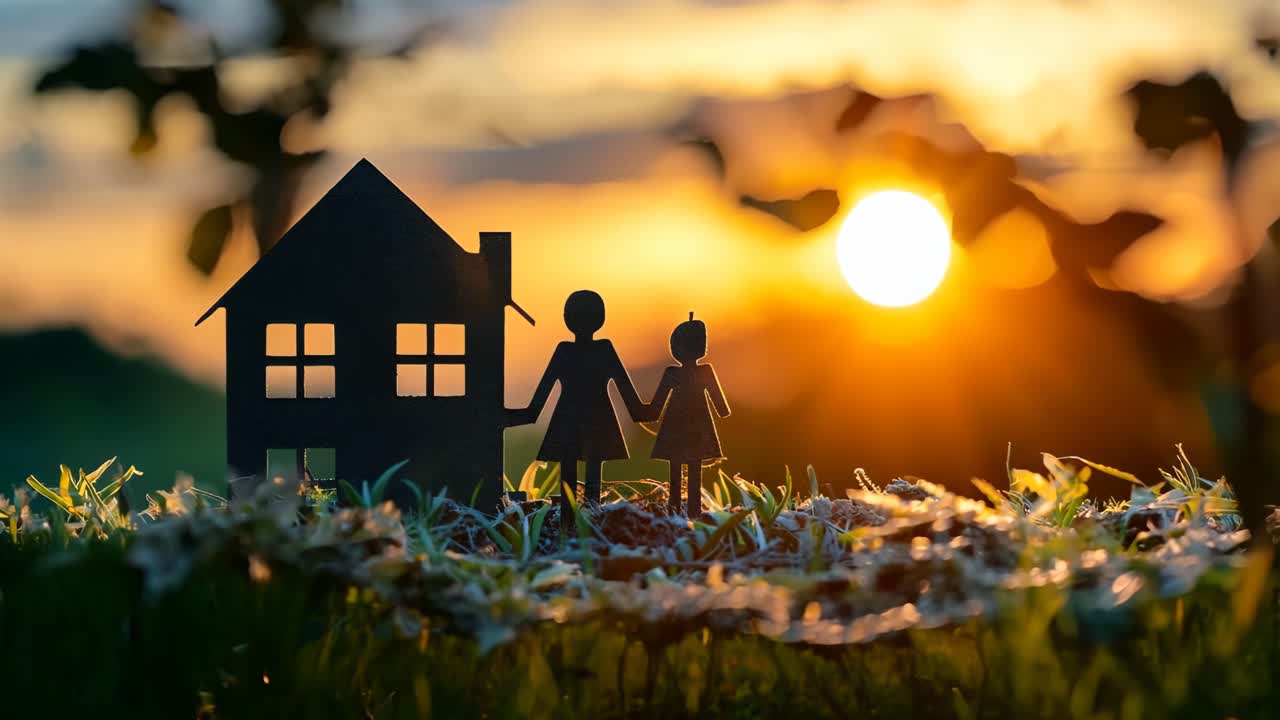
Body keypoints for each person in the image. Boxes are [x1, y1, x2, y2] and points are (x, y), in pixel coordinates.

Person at [517, 290, 647, 527]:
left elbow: (539, 399)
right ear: (601, 318)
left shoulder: (567, 350)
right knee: (589, 473)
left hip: (570, 419)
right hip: (595, 419)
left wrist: (520, 415)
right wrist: (646, 412)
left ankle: (573, 525)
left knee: (572, 471)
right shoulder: (600, 350)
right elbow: (629, 396)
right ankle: (588, 525)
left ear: (567, 318)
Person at [645, 312, 730, 516]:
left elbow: (655, 408)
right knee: (693, 468)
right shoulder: (703, 372)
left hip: (675, 427)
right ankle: (690, 513)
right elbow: (722, 408)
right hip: (697, 428)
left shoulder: (673, 373)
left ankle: (677, 511)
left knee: (679, 468)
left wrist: (639, 411)